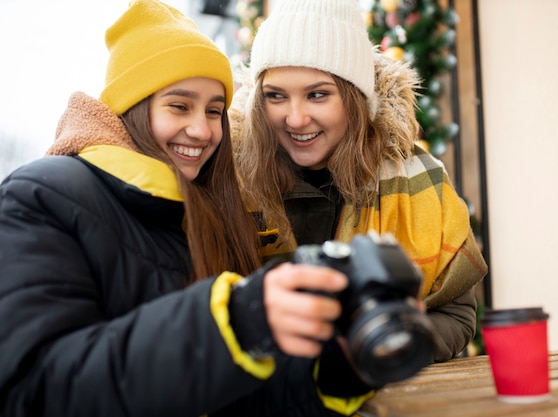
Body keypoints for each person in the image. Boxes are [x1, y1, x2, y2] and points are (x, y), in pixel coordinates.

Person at [0, 1, 384, 416]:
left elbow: (234, 392)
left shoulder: (206, 209)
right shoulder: (40, 197)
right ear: (134, 107)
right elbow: (32, 389)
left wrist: (338, 370)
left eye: (214, 111)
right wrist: (233, 322)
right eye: (179, 106)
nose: (202, 130)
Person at [230, 0, 489, 363]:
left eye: (317, 94)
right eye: (276, 96)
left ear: (354, 98)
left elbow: (457, 316)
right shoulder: (232, 181)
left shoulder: (418, 178)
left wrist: (382, 347)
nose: (296, 118)